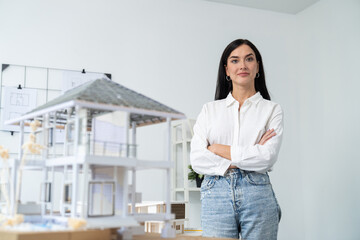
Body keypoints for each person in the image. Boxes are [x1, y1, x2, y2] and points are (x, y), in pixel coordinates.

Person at [190, 39, 283, 240]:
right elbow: (197, 159)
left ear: (257, 66)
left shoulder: (271, 110)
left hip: (257, 191)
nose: (242, 65)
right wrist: (251, 151)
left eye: (249, 59)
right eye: (235, 60)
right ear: (226, 69)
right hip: (215, 192)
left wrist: (216, 148)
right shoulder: (209, 110)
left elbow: (266, 158)